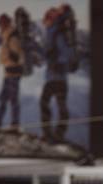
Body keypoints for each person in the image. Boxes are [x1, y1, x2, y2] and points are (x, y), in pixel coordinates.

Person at [40, 5, 78, 143]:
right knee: (60, 105)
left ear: (51, 19)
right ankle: (57, 135)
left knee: (46, 103)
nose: (45, 21)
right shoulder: (52, 32)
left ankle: (51, 135)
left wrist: (56, 60)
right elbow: (52, 53)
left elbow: (68, 54)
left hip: (56, 77)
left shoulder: (58, 32)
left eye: (47, 18)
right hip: (57, 77)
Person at [0, 14, 24, 131]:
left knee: (12, 99)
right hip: (9, 72)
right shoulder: (7, 36)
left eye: (1, 24)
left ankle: (14, 125)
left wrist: (6, 58)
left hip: (12, 73)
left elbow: (18, 56)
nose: (0, 27)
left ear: (5, 24)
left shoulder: (12, 37)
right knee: (4, 98)